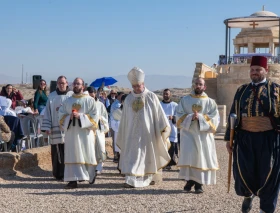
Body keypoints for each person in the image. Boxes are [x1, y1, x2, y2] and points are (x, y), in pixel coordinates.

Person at [225, 56, 280, 213]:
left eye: (258, 70)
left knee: (269, 174)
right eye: (252, 70)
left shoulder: (276, 89)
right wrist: (229, 138)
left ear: (266, 70)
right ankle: (248, 195)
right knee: (244, 172)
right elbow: (233, 114)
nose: (255, 73)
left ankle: (266, 209)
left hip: (268, 138)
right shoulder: (242, 90)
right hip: (245, 138)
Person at [116, 67, 171, 188]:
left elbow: (159, 115)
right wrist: (123, 132)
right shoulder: (129, 98)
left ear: (143, 84)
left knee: (147, 156)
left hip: (148, 134)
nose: (136, 88)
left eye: (138, 85)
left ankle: (149, 177)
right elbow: (125, 118)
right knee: (132, 156)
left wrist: (163, 128)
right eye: (134, 86)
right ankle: (131, 180)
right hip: (131, 133)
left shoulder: (151, 97)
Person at [176, 77, 219, 194]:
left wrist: (200, 117)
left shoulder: (210, 102)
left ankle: (199, 184)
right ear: (193, 85)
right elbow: (178, 114)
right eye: (196, 84)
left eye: (200, 84)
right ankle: (190, 181)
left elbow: (215, 117)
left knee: (201, 157)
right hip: (188, 134)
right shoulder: (185, 100)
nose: (198, 86)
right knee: (190, 156)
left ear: (204, 87)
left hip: (203, 135)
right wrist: (190, 117)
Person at [59, 77, 98, 189]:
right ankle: (73, 180)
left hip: (85, 133)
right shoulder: (67, 101)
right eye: (74, 83)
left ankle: (90, 175)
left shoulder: (90, 100)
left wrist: (81, 116)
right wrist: (68, 117)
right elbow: (60, 116)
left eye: (78, 83)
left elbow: (95, 118)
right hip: (72, 133)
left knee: (86, 153)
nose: (75, 85)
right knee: (73, 154)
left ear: (83, 86)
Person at [41, 76, 73, 181]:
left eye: (63, 83)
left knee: (69, 151)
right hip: (56, 127)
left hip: (69, 128)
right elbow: (47, 112)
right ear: (57, 84)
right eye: (59, 83)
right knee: (57, 151)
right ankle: (58, 173)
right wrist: (47, 127)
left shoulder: (72, 96)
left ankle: (69, 173)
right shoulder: (51, 96)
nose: (61, 85)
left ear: (67, 83)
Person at [87, 86, 109, 174]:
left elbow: (105, 116)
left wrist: (100, 118)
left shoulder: (100, 104)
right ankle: (91, 167)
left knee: (100, 147)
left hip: (99, 129)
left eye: (92, 94)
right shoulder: (85, 104)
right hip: (89, 130)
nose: (91, 97)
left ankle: (99, 166)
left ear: (95, 93)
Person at [160, 89, 178, 170]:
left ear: (170, 95)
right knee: (163, 147)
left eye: (167, 94)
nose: (165, 95)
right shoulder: (159, 105)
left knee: (171, 147)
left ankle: (169, 163)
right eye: (164, 94)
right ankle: (163, 163)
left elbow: (179, 117)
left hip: (172, 129)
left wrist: (173, 117)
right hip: (162, 130)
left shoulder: (175, 105)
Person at [110, 91, 124, 163]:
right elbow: (115, 115)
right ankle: (116, 155)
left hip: (123, 127)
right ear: (118, 96)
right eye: (121, 96)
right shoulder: (115, 104)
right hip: (115, 125)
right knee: (115, 141)